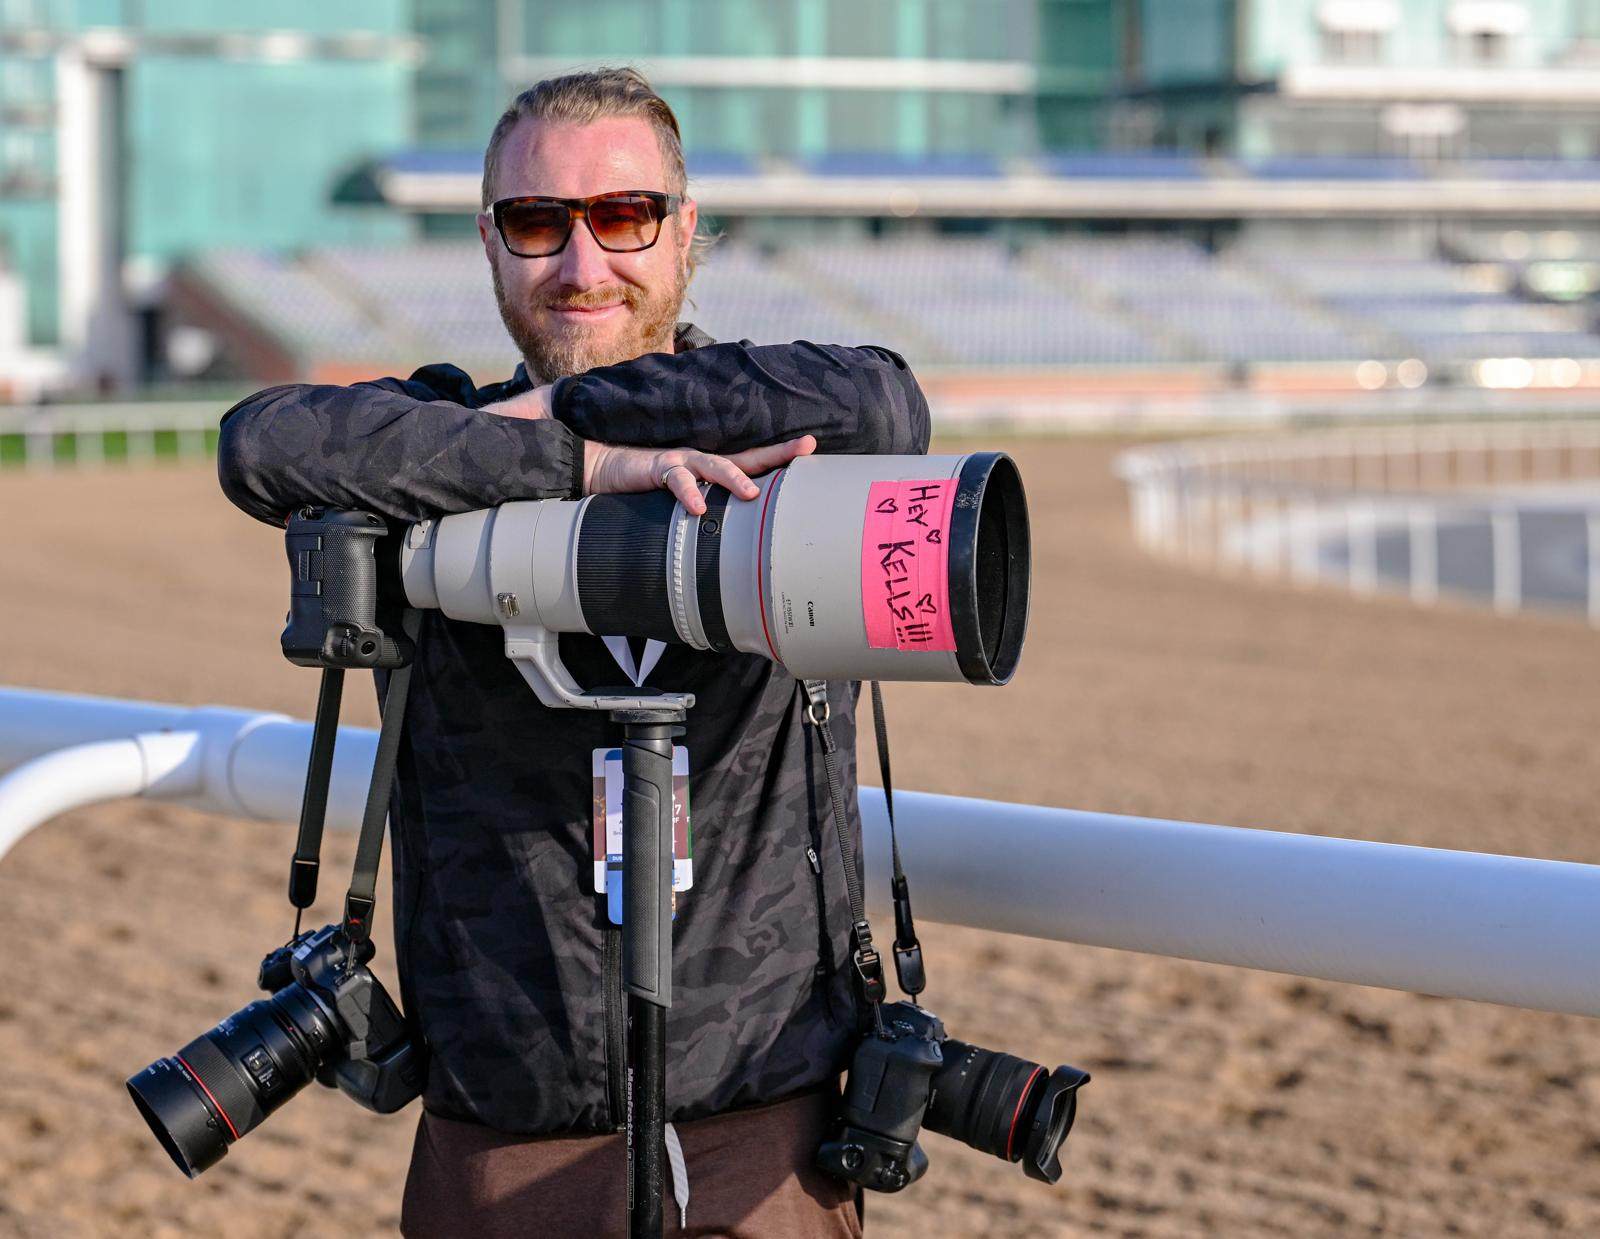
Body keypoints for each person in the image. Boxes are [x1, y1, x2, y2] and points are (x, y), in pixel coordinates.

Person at [216, 68, 929, 1237]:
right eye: (538, 224)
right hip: (502, 1132)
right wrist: (575, 471)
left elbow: (886, 409)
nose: (583, 265)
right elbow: (266, 445)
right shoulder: (443, 433)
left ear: (686, 231)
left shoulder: (789, 424)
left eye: (625, 217)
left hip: (768, 1130)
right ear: (490, 245)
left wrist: (568, 416)